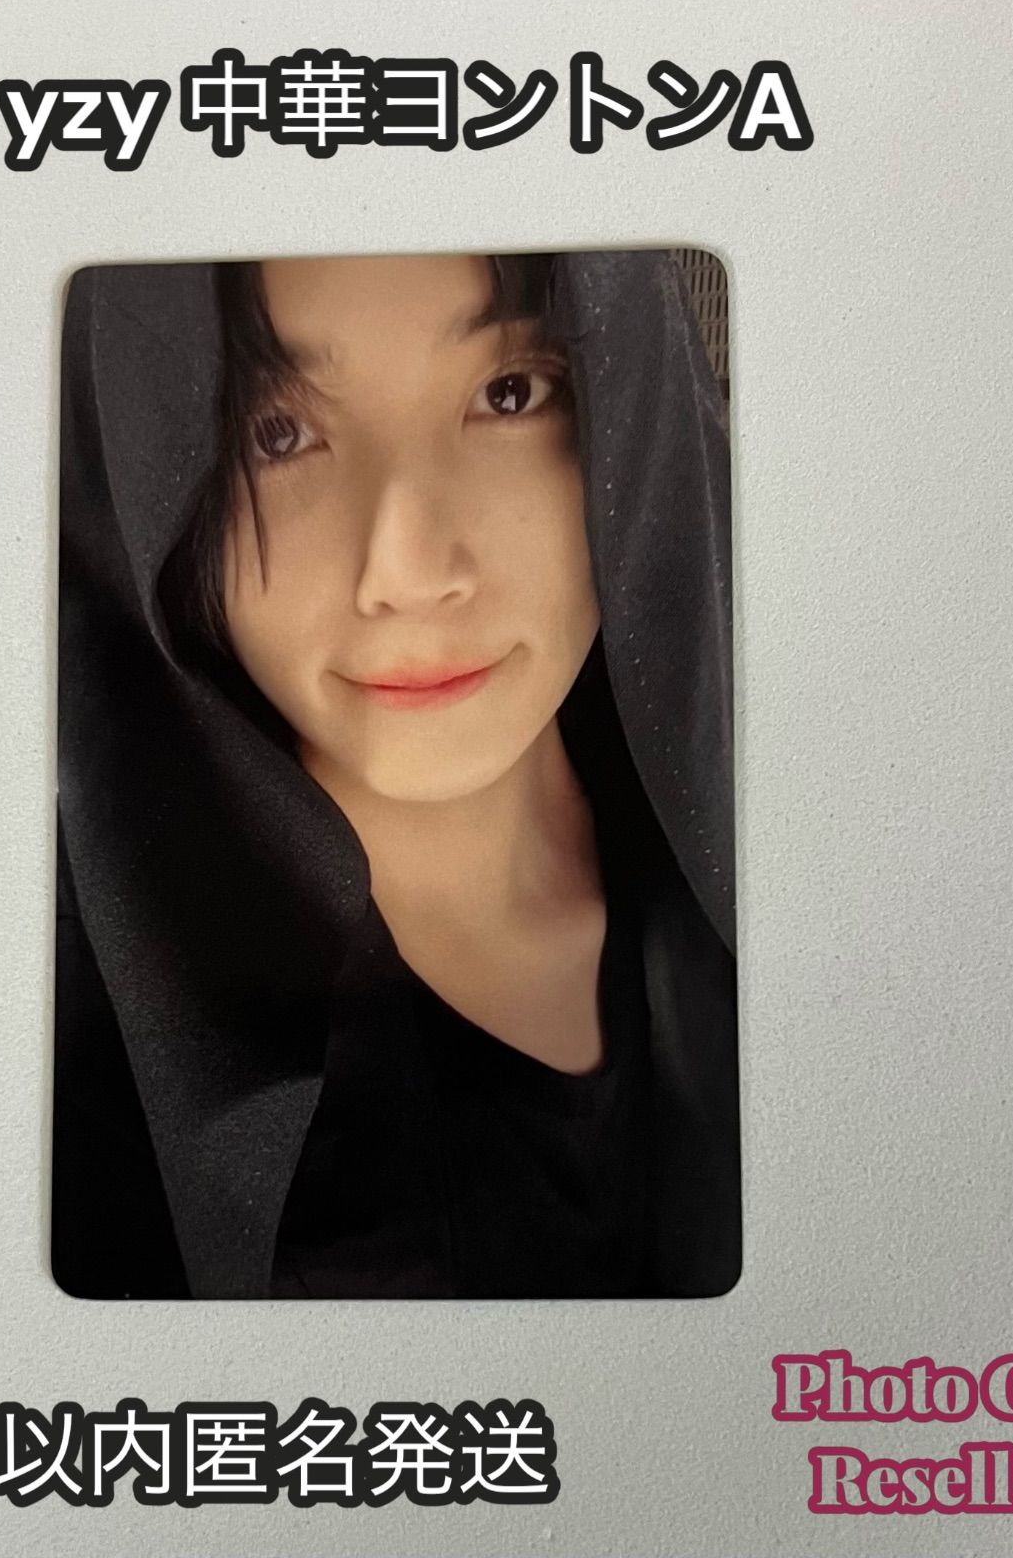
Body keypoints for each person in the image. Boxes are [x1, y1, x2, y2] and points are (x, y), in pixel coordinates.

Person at [53, 250, 739, 1299]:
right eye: (274, 433)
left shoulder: (820, 842)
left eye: (509, 394)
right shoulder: (61, 1067)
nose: (409, 572)